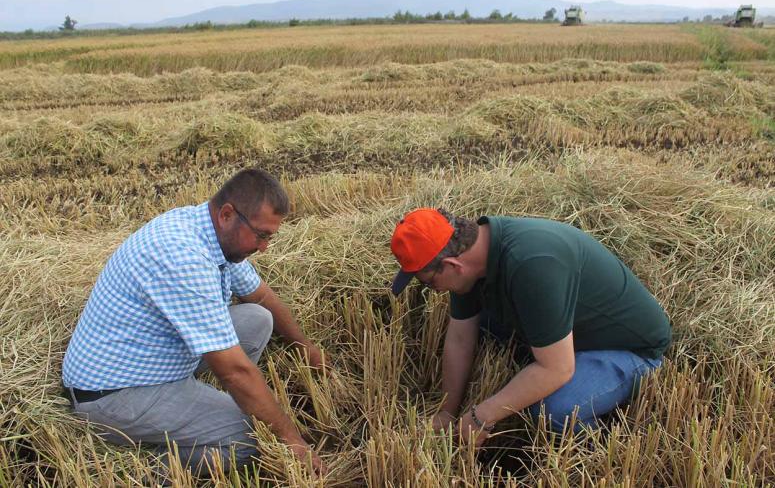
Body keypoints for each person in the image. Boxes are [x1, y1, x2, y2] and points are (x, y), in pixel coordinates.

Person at [62, 168, 327, 475]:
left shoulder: (212, 232)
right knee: (255, 437)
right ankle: (143, 472)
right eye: (262, 235)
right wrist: (292, 440)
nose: (264, 247)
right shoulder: (184, 256)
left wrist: (305, 346)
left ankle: (201, 412)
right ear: (228, 214)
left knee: (258, 319)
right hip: (113, 395)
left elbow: (261, 296)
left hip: (151, 358)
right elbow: (235, 372)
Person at [390, 208, 671, 446]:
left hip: (627, 348)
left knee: (555, 412)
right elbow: (461, 337)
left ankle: (602, 448)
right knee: (483, 328)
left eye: (429, 283)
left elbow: (558, 368)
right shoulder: (475, 254)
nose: (434, 291)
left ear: (453, 265)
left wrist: (482, 415)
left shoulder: (532, 265)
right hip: (571, 330)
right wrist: (447, 412)